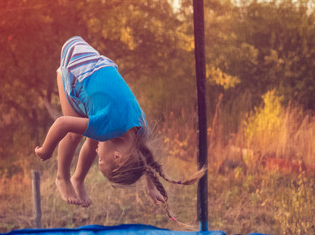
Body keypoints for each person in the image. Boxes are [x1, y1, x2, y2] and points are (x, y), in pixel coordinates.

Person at [35, 36, 200, 208]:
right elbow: (62, 124)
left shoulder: (140, 131)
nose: (97, 154)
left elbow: (145, 158)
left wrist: (151, 186)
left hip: (97, 63)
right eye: (100, 161)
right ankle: (62, 178)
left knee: (94, 138)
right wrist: (46, 151)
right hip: (73, 63)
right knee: (74, 134)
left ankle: (78, 179)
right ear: (117, 157)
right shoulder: (108, 126)